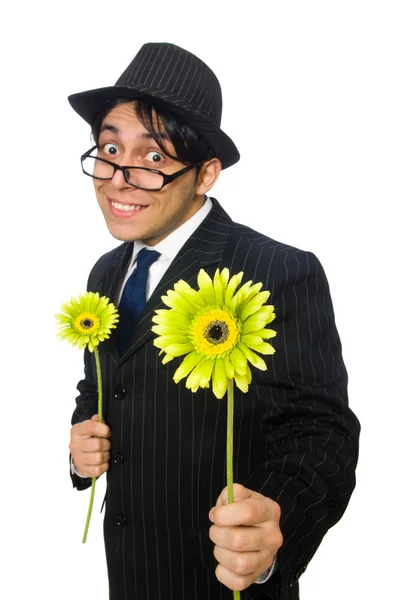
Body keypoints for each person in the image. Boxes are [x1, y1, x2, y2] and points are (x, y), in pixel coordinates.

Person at [68, 42, 360, 600]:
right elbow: (102, 385)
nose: (118, 178)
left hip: (225, 581)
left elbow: (322, 432)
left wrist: (276, 519)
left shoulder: (278, 269)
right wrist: (83, 445)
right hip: (129, 573)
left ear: (205, 175)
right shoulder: (106, 272)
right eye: (109, 148)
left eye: (153, 158)